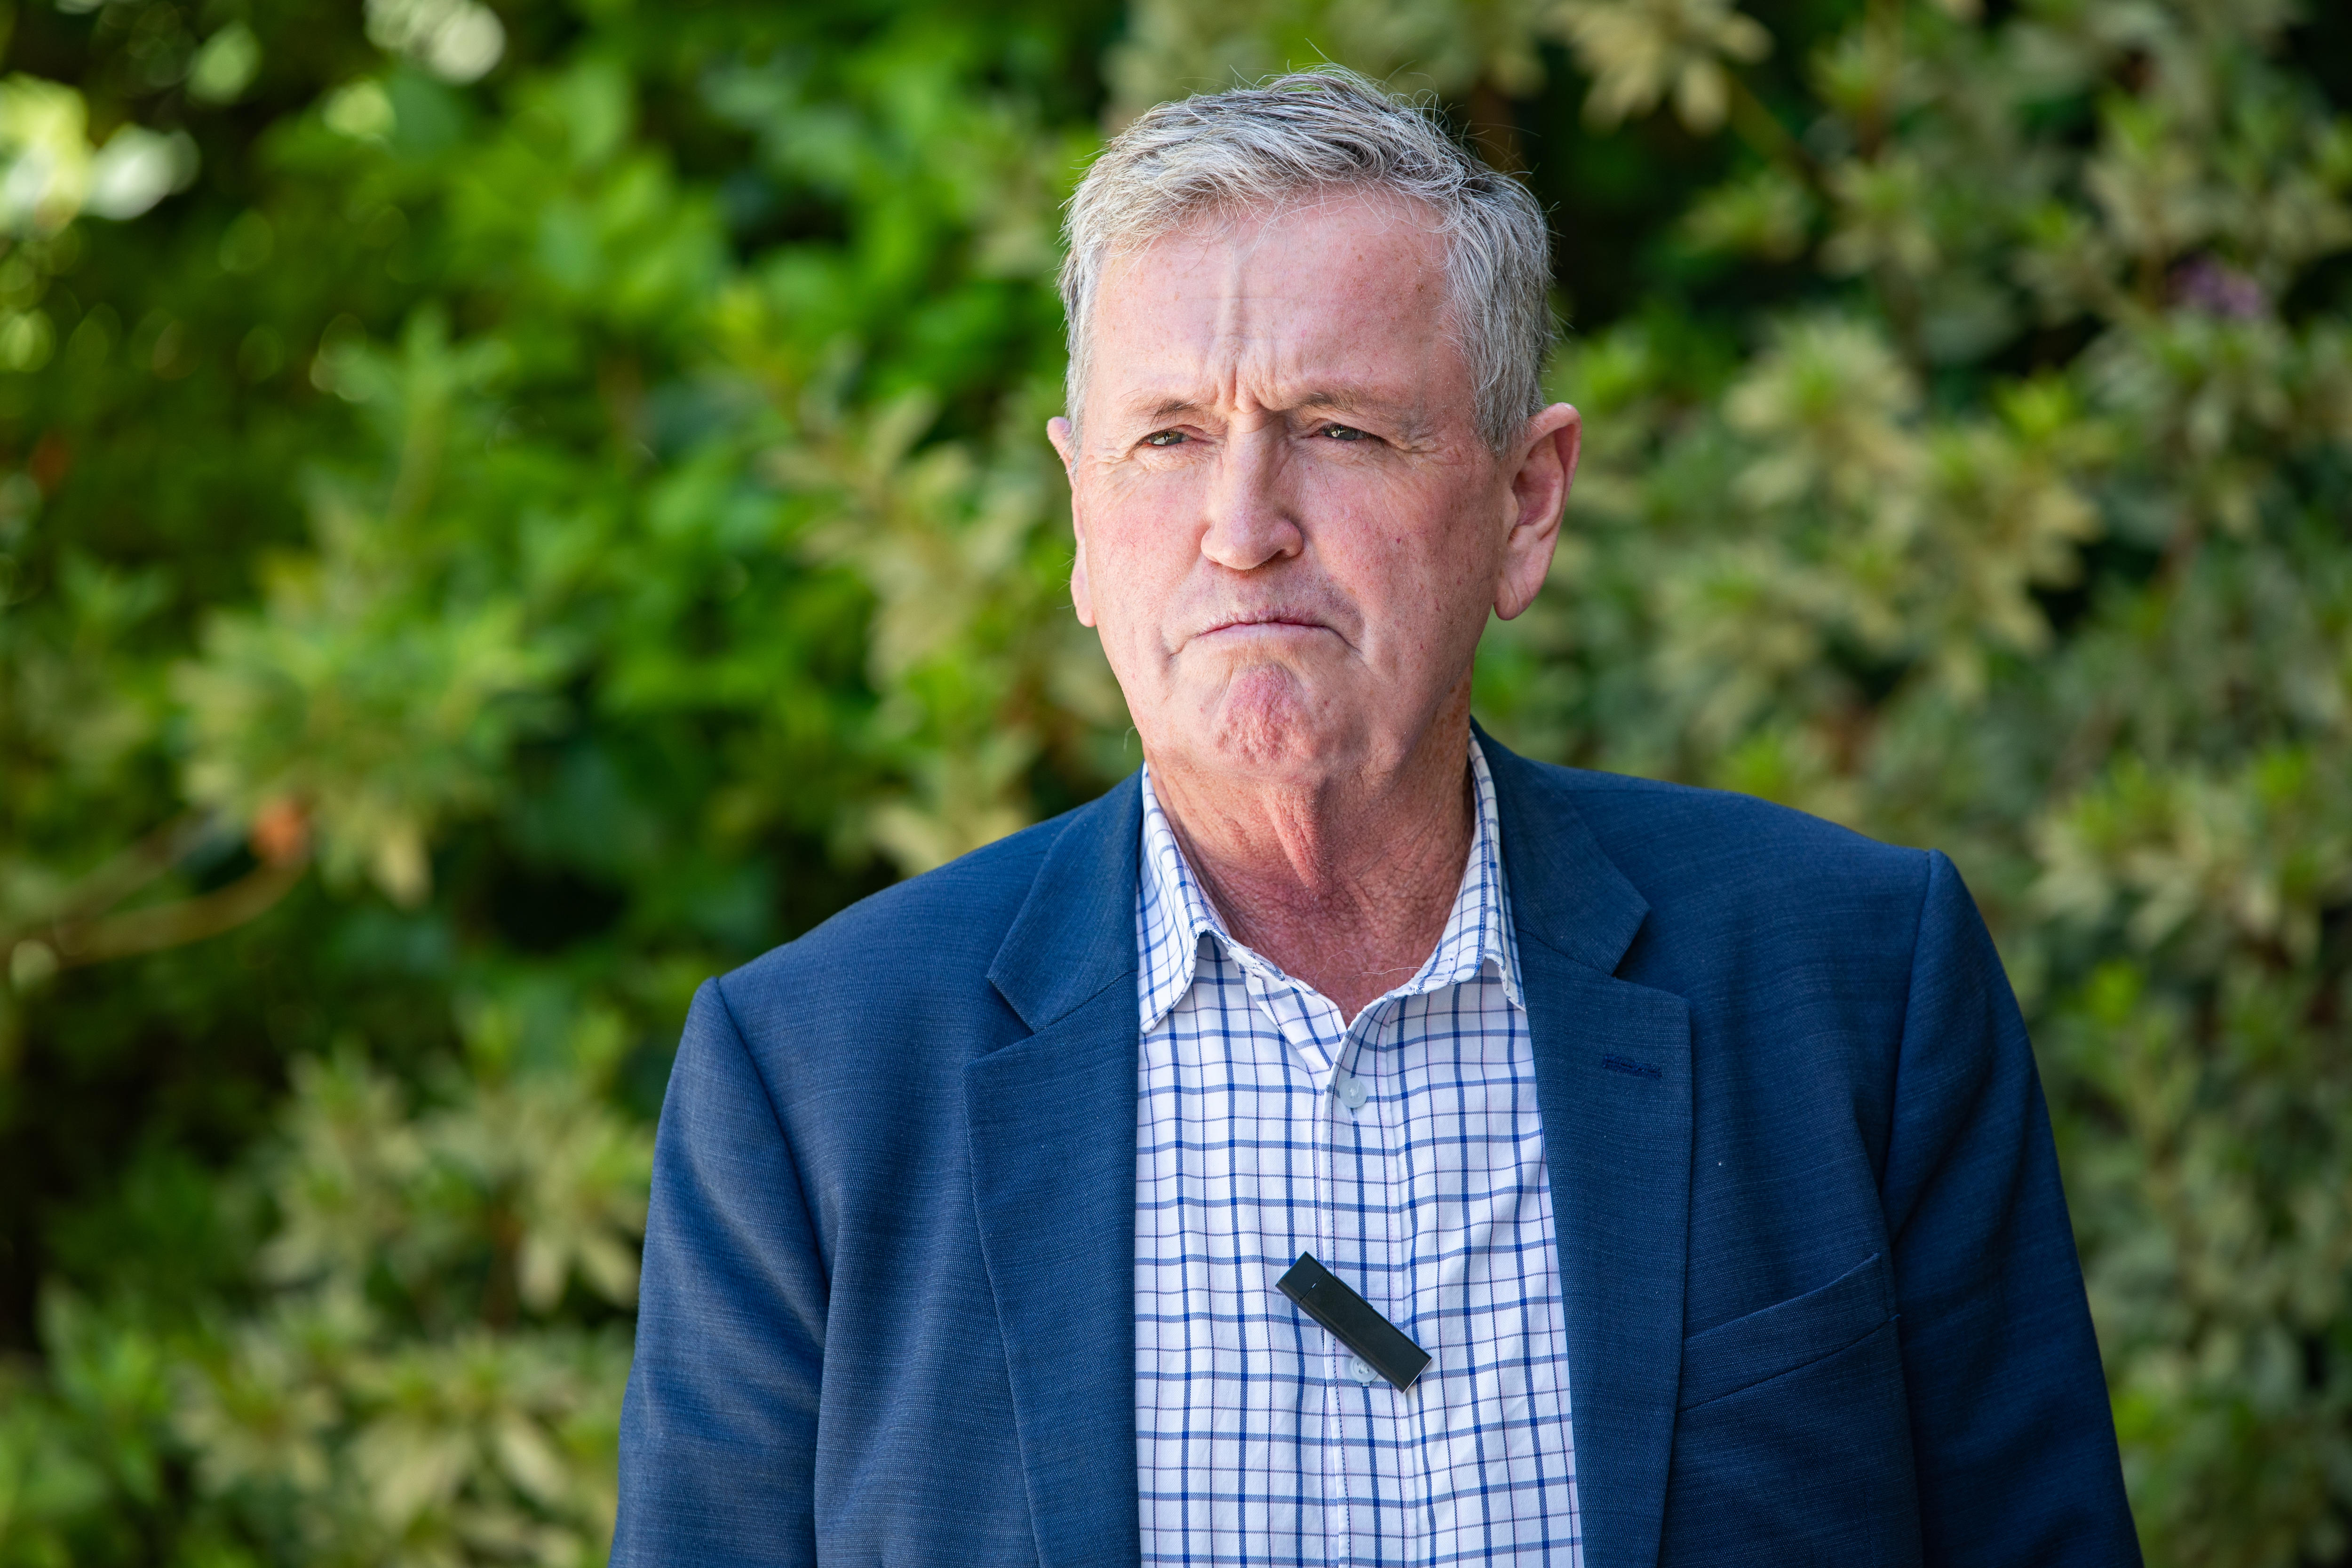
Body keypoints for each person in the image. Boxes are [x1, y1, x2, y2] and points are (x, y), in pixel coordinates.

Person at [611, 68, 2138, 1568]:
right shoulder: (811, 1081)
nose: (1242, 528)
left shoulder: (1856, 986)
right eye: (1170, 438)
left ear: (1525, 504)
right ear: (1082, 520)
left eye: (1336, 429)